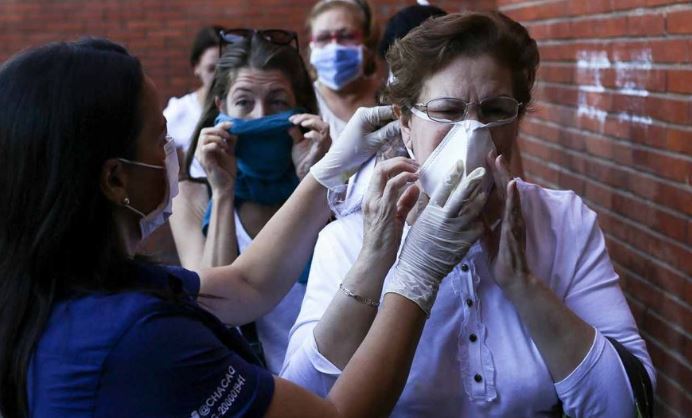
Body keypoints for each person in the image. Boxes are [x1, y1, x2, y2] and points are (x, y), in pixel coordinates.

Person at [0, 37, 489, 417]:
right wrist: (417, 271)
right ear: (114, 177)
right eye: (160, 138)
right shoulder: (138, 342)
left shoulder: (76, 283)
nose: (173, 149)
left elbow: (246, 284)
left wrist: (329, 170)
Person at [282, 11, 655, 418]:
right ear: (405, 123)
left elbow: (627, 405)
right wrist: (375, 265)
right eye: (448, 111)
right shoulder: (351, 237)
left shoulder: (562, 220)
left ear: (517, 120)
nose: (473, 131)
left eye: (495, 111)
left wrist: (524, 285)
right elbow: (299, 402)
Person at [169, 29, 331, 374]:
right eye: (244, 103)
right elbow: (212, 306)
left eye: (277, 102)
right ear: (220, 109)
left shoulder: (334, 186)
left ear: (300, 110)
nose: (259, 117)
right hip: (254, 393)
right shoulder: (193, 196)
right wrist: (224, 192)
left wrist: (315, 183)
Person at [306, 0, 380, 140]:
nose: (335, 48)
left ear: (367, 41)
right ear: (312, 45)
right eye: (323, 38)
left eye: (346, 36)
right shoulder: (303, 102)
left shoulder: (392, 98)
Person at [164, 25, 221, 178]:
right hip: (201, 196)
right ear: (196, 67)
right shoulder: (181, 110)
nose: (219, 77)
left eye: (225, 68)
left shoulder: (248, 105)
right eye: (211, 69)